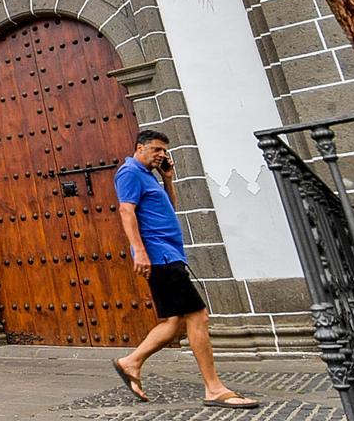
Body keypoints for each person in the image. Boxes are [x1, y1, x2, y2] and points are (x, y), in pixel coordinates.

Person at [110, 130, 258, 410]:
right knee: (197, 315)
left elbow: (169, 209)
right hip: (159, 257)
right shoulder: (129, 172)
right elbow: (126, 211)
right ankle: (214, 388)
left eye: (164, 151)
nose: (161, 155)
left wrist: (168, 180)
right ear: (139, 148)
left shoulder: (150, 176)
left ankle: (131, 362)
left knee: (175, 321)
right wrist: (140, 251)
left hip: (169, 254)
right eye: (155, 150)